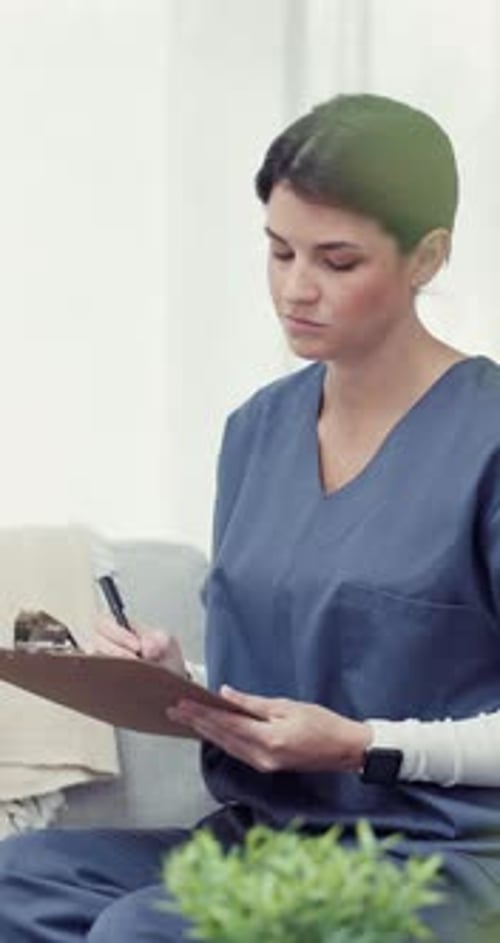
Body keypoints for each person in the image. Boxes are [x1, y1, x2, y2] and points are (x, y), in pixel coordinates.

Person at [1, 92, 500, 942]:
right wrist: (176, 678)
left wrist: (364, 744)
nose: (295, 290)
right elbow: (313, 651)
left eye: (338, 261)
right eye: (279, 251)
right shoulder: (257, 430)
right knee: (16, 881)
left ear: (428, 256)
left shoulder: (487, 437)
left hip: (437, 857)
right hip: (267, 836)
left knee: (143, 931)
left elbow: (372, 702)